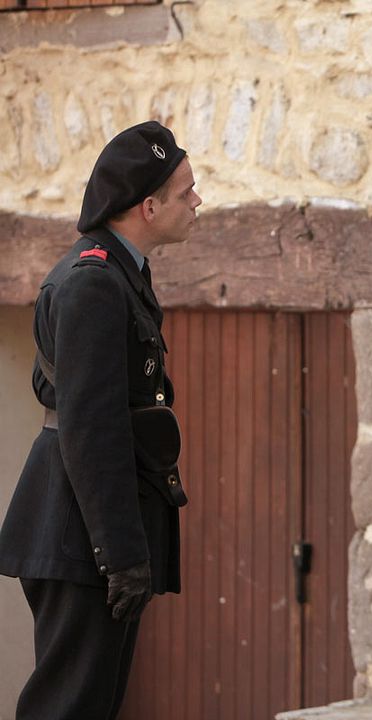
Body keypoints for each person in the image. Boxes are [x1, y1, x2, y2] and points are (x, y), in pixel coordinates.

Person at [0, 121, 200, 719]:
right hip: (80, 539)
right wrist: (120, 555)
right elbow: (91, 429)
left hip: (88, 537)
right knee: (67, 709)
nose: (197, 201)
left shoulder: (121, 272)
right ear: (147, 206)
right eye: (186, 190)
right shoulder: (93, 283)